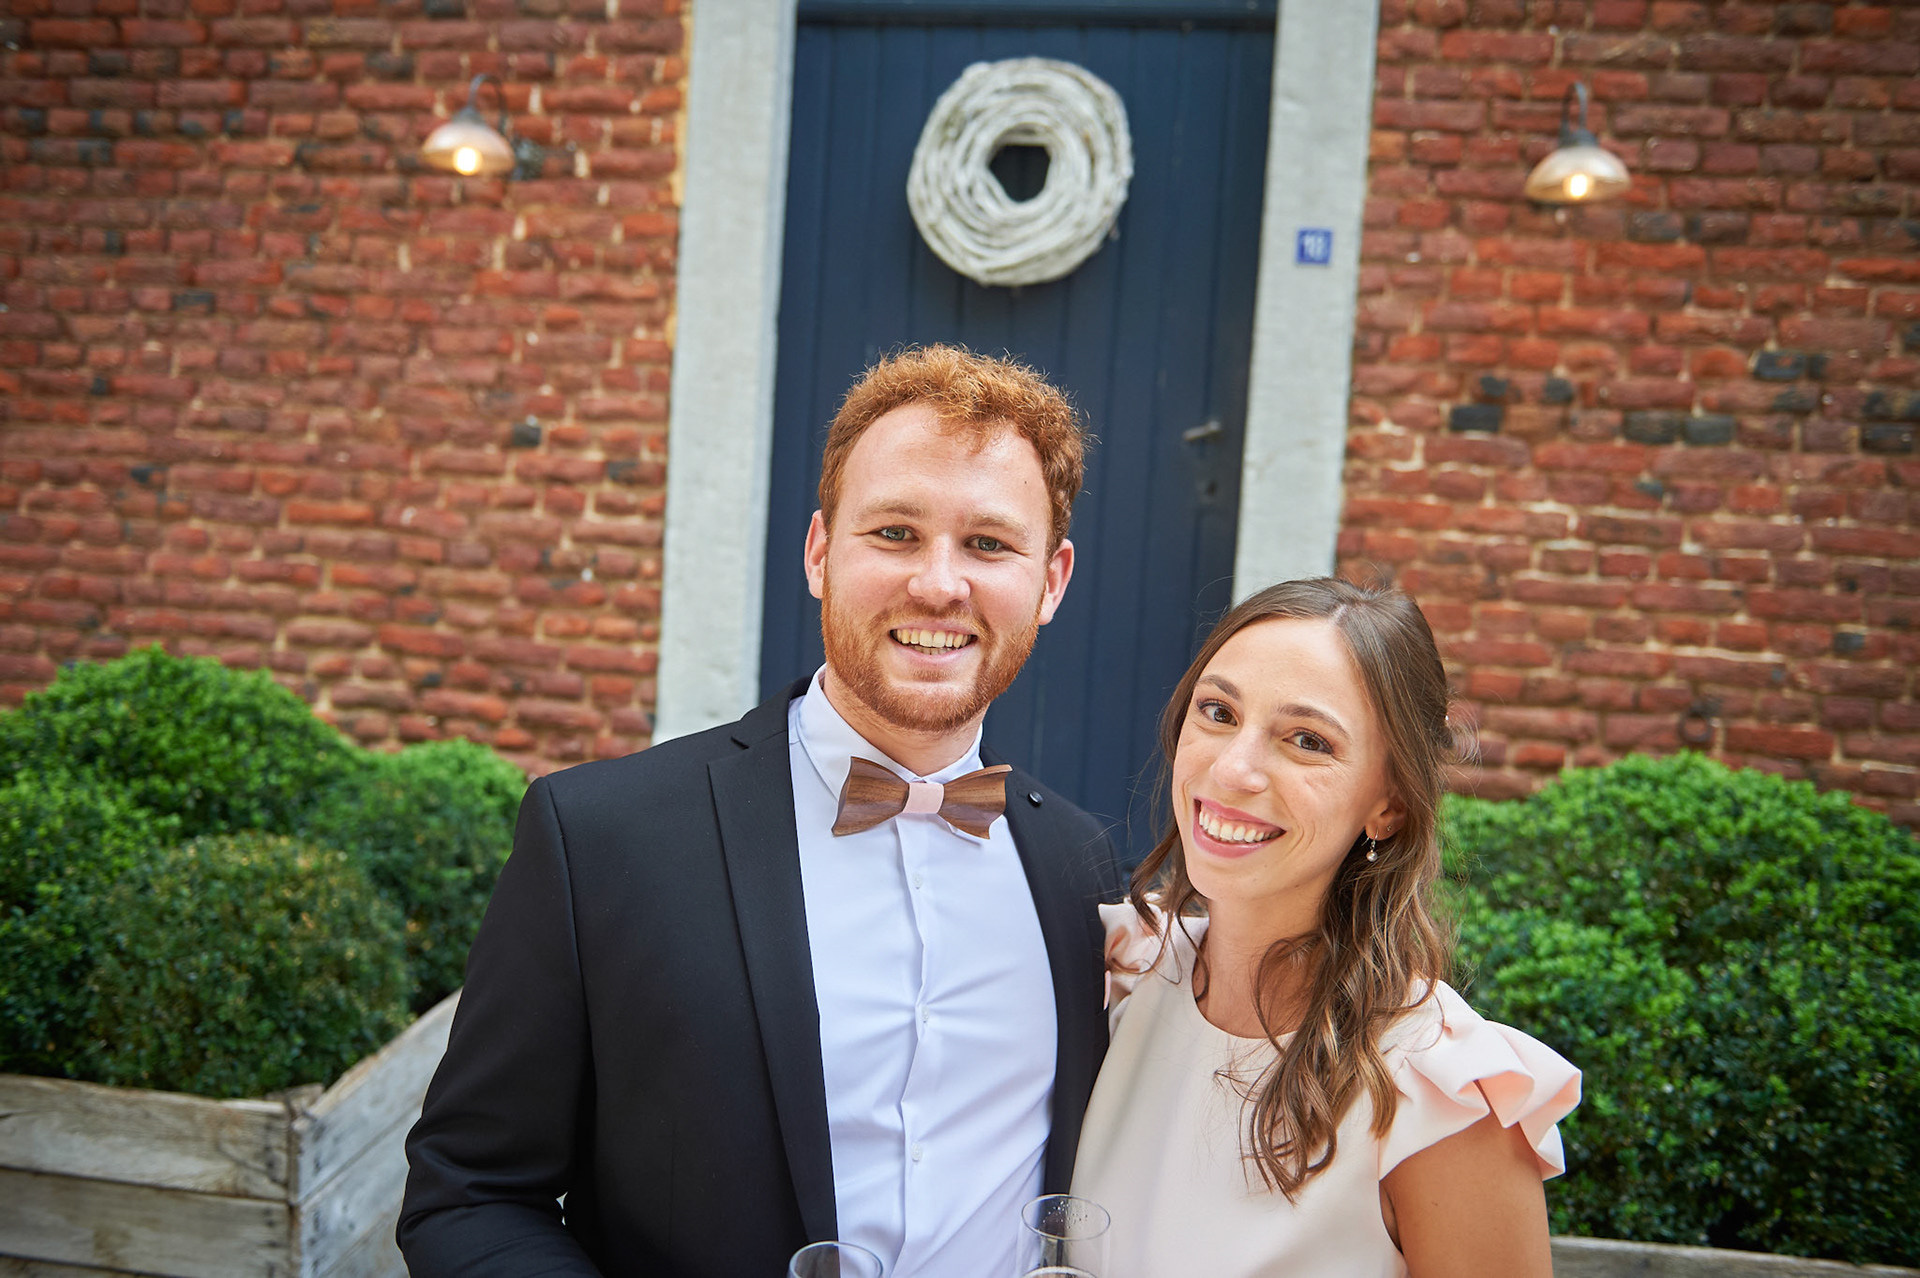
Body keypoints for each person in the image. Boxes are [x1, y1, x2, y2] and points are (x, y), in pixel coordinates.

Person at [399, 345, 1126, 1277]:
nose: (940, 584)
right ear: (820, 552)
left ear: (1051, 582)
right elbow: (472, 1193)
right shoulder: (600, 839)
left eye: (988, 544)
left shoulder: (1080, 866)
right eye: (895, 532)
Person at [1073, 577, 1580, 1278]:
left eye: (1307, 740)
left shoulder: (1439, 1094)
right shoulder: (1123, 971)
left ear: (1388, 805)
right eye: (1218, 712)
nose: (1233, 769)